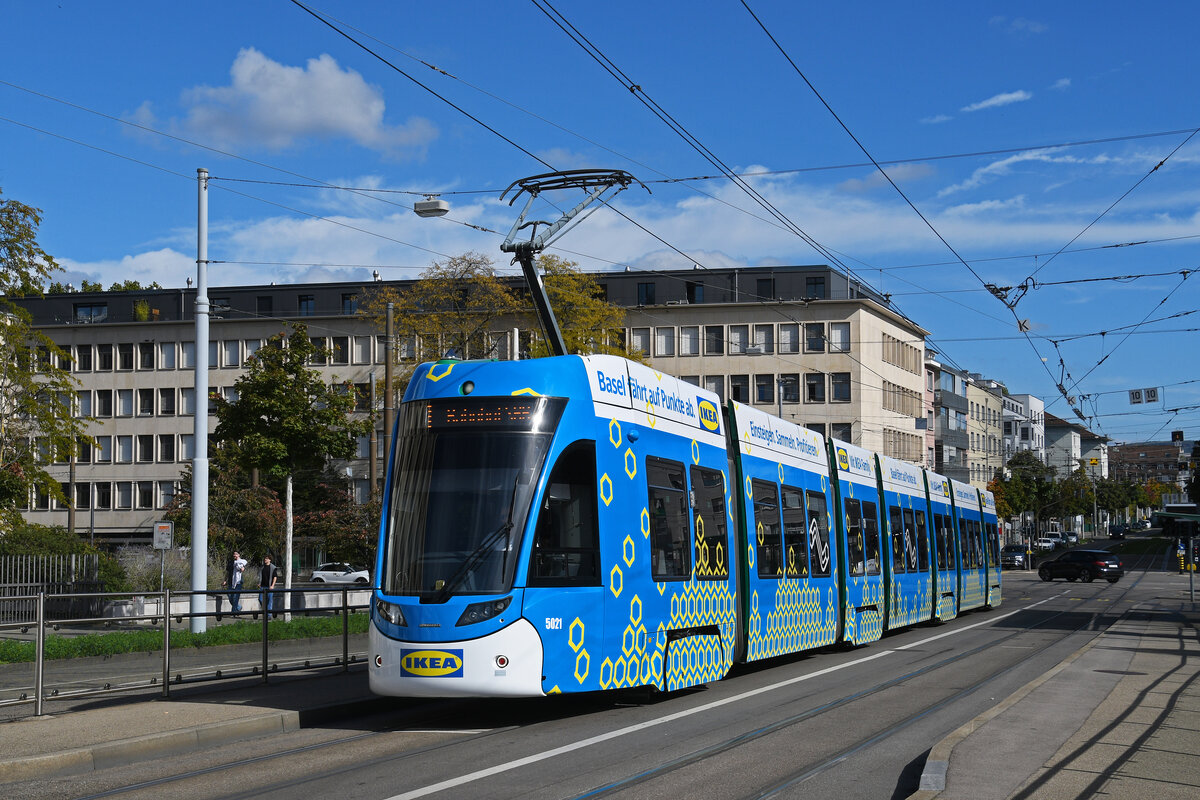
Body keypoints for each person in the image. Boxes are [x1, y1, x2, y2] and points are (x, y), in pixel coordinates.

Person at [260, 555, 280, 619]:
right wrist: (259, 583)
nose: (265, 559)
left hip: (269, 587)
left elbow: (275, 577)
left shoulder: (273, 567)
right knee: (260, 599)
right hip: (262, 586)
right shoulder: (262, 567)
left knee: (269, 601)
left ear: (270, 560)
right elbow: (260, 576)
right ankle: (265, 611)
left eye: (267, 558)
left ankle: (268, 615)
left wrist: (272, 585)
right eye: (265, 558)